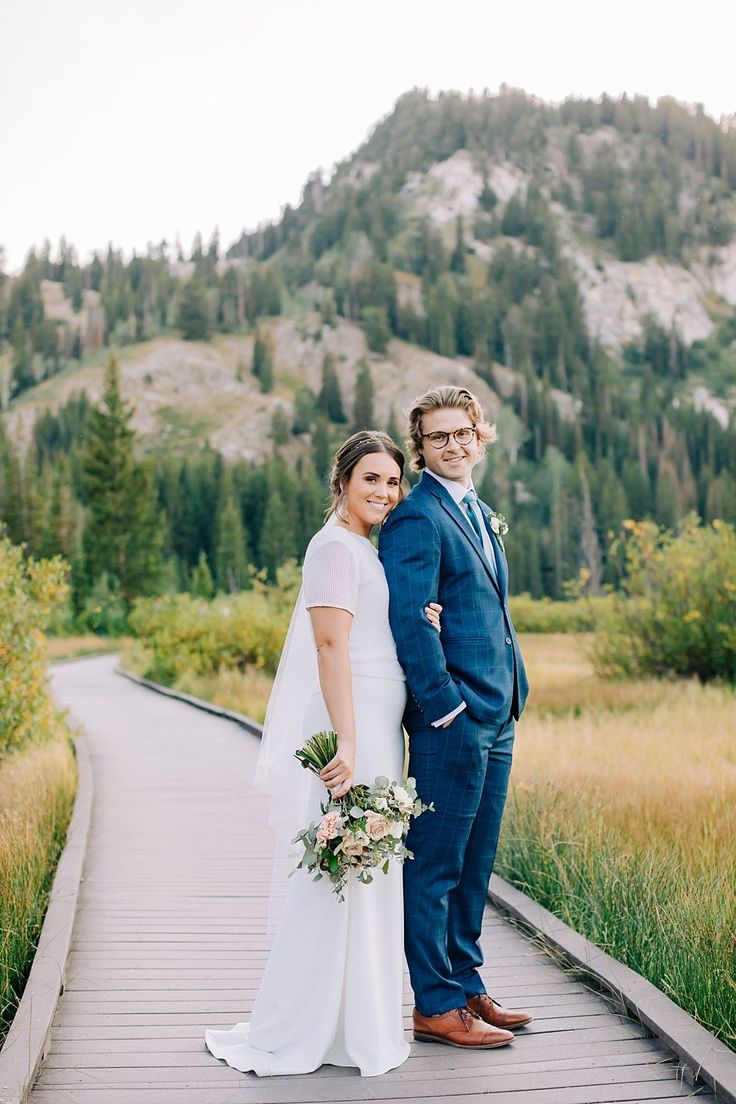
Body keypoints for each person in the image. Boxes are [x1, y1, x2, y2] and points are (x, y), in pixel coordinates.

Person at [204, 430, 442, 1077]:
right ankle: (318, 1024)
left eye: (393, 481)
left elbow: (370, 630)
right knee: (343, 867)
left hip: (372, 724)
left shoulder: (360, 548)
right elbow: (331, 648)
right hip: (352, 725)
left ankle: (352, 1021)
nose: (385, 492)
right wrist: (349, 738)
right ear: (341, 482)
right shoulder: (333, 548)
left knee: (362, 869)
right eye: (371, 479)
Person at [378, 385, 532, 1049]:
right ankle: (436, 1004)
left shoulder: (479, 511)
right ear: (420, 448)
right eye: (437, 436)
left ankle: (468, 984)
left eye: (462, 433)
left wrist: (514, 690)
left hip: (500, 716)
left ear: (480, 436)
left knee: (476, 863)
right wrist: (444, 709)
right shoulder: (417, 518)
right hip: (455, 723)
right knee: (436, 865)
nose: (452, 445)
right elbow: (411, 621)